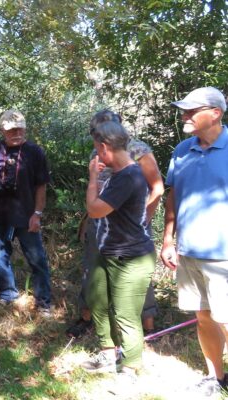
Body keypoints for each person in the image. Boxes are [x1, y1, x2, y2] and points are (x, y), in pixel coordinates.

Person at [67, 110, 164, 337]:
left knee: (137, 275)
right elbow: (97, 188)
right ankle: (87, 317)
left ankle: (148, 324)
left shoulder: (138, 150)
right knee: (92, 268)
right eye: (96, 133)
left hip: (130, 227)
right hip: (100, 222)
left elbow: (157, 187)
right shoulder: (96, 151)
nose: (100, 137)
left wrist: (143, 218)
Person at [161, 87, 228, 397]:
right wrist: (167, 240)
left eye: (191, 110)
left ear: (215, 113)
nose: (184, 115)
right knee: (203, 317)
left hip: (223, 256)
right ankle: (216, 377)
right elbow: (172, 195)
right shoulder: (182, 150)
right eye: (183, 110)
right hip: (188, 252)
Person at [80, 120, 155, 376]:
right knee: (97, 299)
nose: (96, 154)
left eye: (96, 148)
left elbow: (95, 209)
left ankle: (131, 369)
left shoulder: (129, 176)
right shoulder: (117, 174)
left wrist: (92, 178)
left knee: (125, 315)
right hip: (107, 251)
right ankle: (107, 353)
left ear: (104, 147)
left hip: (131, 257)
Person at [0, 110, 52, 316]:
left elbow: (41, 186)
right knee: (0, 258)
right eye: (11, 129)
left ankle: (43, 302)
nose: (16, 132)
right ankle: (7, 294)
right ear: (2, 130)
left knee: (37, 259)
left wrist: (38, 213)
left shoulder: (35, 152)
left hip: (26, 215)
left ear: (25, 128)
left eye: (19, 128)